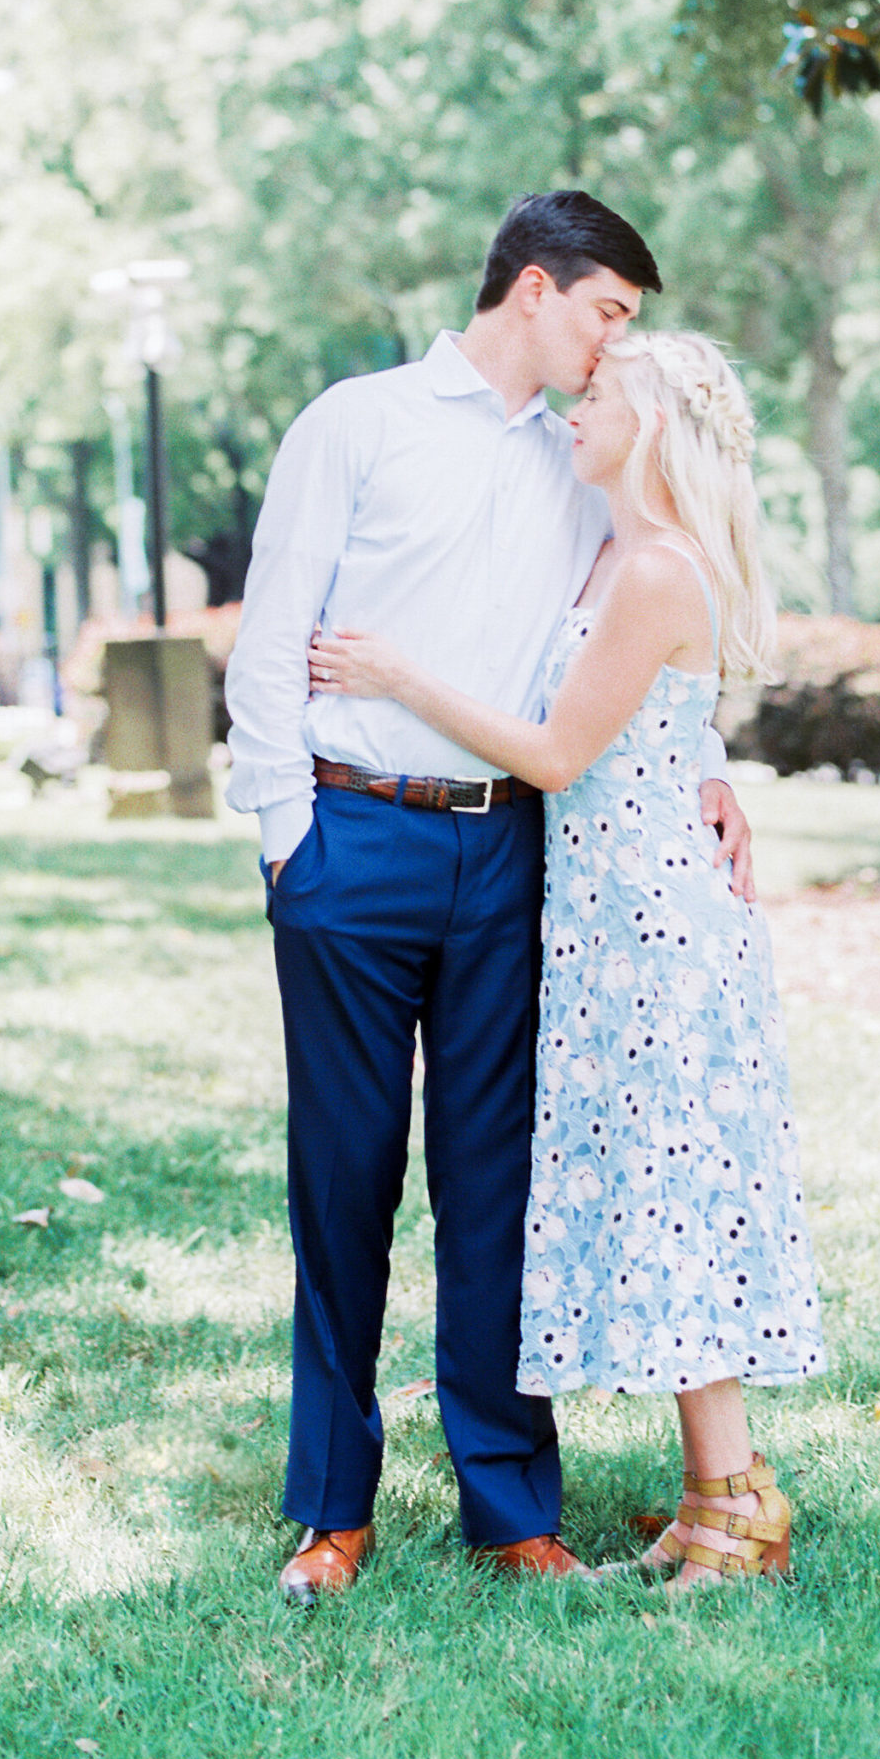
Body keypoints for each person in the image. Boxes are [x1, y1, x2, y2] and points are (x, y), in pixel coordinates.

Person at [224, 193, 756, 1604]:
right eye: (606, 313)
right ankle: (333, 1508)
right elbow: (273, 632)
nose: (612, 348)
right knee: (341, 1186)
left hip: (517, 855)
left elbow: (647, 620)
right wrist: (290, 839)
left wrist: (704, 765)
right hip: (354, 841)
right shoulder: (361, 422)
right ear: (536, 289)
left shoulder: (586, 458)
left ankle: (511, 1506)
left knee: (497, 1194)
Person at [309, 329, 824, 1589]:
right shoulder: (610, 552)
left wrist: (392, 674)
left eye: (601, 396)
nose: (578, 409)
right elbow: (661, 726)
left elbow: (551, 753)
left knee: (679, 1203)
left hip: (656, 934)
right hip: (602, 927)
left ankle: (740, 1500)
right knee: (660, 1198)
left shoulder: (657, 567)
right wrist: (712, 771)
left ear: (649, 427)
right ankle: (714, 1502)